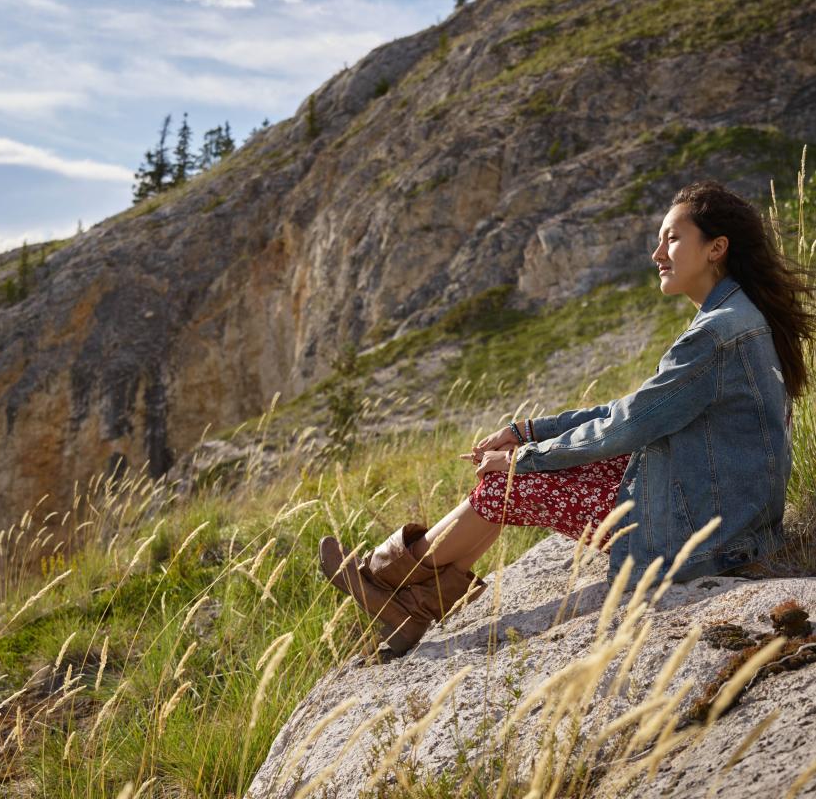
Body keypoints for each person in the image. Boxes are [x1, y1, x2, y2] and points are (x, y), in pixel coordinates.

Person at [319, 180, 816, 657]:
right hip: (722, 514)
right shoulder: (739, 318)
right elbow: (634, 410)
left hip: (703, 536)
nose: (657, 253)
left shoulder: (716, 333)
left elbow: (630, 424)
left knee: (508, 485)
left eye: (673, 238)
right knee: (515, 478)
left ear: (716, 248)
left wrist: (527, 458)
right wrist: (528, 432)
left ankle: (389, 583)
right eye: (658, 240)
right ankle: (410, 600)